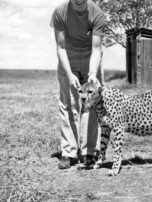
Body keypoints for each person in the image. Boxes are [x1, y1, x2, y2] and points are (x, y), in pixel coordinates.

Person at [50, 0, 105, 169]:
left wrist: (92, 74)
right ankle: (69, 152)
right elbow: (61, 47)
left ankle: (89, 151)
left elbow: (96, 49)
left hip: (90, 57)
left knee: (91, 104)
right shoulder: (60, 12)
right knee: (68, 105)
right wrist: (69, 73)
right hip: (68, 57)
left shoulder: (97, 13)